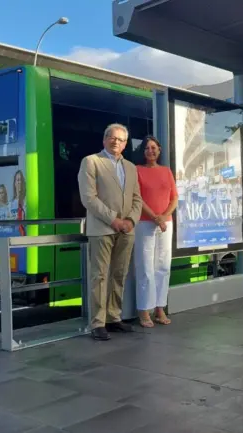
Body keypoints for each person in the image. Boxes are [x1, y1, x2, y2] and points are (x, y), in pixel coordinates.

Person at [78, 123, 142, 341]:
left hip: (126, 230)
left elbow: (137, 199)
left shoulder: (131, 167)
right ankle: (97, 322)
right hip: (102, 228)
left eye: (121, 139)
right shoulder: (91, 161)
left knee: (119, 274)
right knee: (100, 276)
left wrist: (131, 221)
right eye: (112, 138)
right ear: (104, 139)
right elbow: (88, 198)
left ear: (125, 144)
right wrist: (113, 220)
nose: (116, 142)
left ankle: (114, 317)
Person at [134, 136, 178, 328]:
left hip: (165, 224)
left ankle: (160, 308)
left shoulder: (166, 171)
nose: (150, 151)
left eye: (154, 147)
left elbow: (174, 198)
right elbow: (137, 198)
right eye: (147, 148)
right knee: (145, 267)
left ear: (159, 150)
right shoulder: (137, 170)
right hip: (144, 223)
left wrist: (163, 217)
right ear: (143, 152)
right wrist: (154, 217)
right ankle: (144, 310)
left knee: (163, 266)